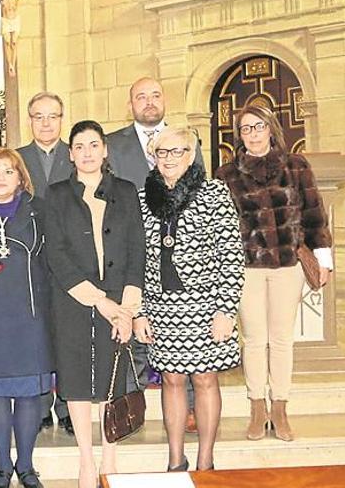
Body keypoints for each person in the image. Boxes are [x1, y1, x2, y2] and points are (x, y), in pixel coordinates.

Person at [215, 105, 333, 442]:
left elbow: (314, 215)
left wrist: (322, 258)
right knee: (253, 339)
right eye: (245, 129)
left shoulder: (295, 166)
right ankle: (256, 408)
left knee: (281, 339)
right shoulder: (227, 175)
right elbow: (220, 227)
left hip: (287, 265)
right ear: (238, 135)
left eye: (258, 126)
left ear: (271, 129)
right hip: (246, 268)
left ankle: (279, 407)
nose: (252, 133)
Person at [134, 126, 244, 471]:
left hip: (205, 305)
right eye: (162, 152)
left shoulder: (214, 193)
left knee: (205, 379)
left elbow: (231, 254)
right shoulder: (141, 197)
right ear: (153, 157)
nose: (169, 159)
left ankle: (206, 460)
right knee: (171, 378)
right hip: (161, 307)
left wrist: (226, 309)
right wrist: (138, 312)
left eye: (177, 151)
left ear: (191, 155)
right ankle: (175, 458)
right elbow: (133, 259)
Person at [44, 120, 144, 488]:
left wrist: (126, 308)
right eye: (79, 147)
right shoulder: (54, 195)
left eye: (93, 145)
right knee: (77, 377)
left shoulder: (126, 191)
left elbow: (137, 249)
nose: (87, 153)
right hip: (74, 299)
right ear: (70, 154)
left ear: (105, 150)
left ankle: (110, 455)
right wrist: (99, 301)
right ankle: (86, 458)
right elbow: (56, 254)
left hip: (120, 300)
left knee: (111, 376)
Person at [106, 76, 202, 431]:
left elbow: (199, 185)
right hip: (134, 246)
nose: (149, 101)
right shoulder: (113, 144)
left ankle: (190, 408)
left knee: (186, 335)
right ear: (129, 104)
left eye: (155, 95)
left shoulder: (187, 140)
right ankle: (133, 405)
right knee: (136, 329)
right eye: (140, 96)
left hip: (182, 254)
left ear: (165, 100)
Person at [0, 148, 51, 488]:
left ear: (21, 177)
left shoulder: (40, 212)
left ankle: (26, 464)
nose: (1, 177)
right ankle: (2, 466)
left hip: (31, 314)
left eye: (8, 171)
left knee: (30, 392)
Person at [16, 91, 74, 435]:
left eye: (52, 116)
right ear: (30, 119)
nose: (46, 123)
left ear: (62, 118)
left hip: (71, 260)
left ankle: (67, 404)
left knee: (67, 336)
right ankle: (38, 405)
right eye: (39, 116)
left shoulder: (78, 153)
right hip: (31, 260)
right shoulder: (18, 158)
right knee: (37, 335)